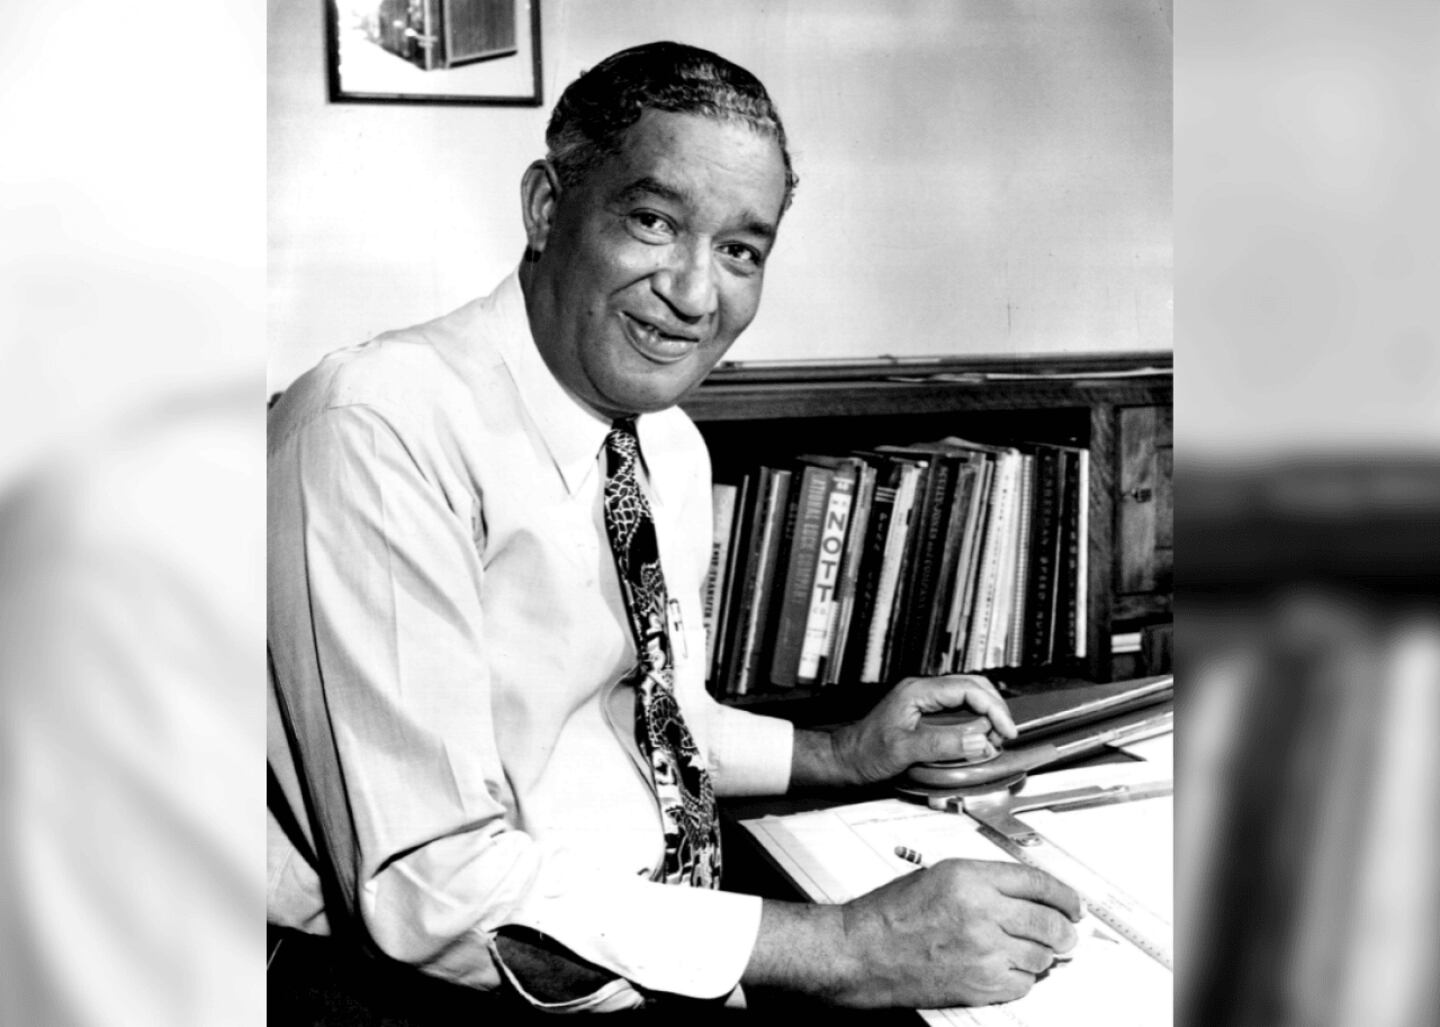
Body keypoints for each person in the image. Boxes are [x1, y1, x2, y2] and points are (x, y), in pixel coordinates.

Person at [268, 40, 1081, 1013]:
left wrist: (842, 751)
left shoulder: (667, 444)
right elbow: (431, 886)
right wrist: (844, 946)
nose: (695, 295)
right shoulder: (375, 426)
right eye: (653, 222)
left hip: (655, 929)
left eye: (741, 250)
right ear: (546, 207)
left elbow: (651, 726)